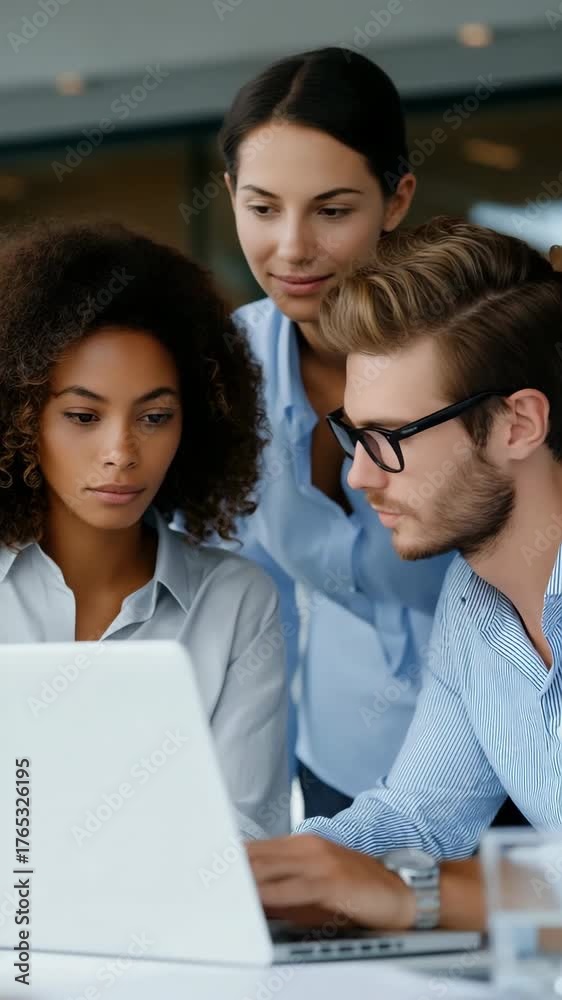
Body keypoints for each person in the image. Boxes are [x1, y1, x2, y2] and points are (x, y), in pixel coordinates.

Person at [246, 220, 562, 928]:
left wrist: (408, 895)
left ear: (517, 424)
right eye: (355, 435)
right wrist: (245, 873)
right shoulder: (473, 601)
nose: (359, 475)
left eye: (389, 438)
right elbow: (419, 817)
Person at [218, 45, 454, 820]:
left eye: (332, 210)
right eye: (262, 208)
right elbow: (255, 611)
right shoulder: (228, 368)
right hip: (344, 764)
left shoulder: (472, 359)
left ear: (395, 199)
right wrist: (258, 817)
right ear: (230, 195)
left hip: (517, 759)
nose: (292, 248)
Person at [0, 219, 289, 838]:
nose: (121, 453)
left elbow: (241, 842)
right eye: (83, 416)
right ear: (21, 418)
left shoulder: (236, 604)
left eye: (155, 416)